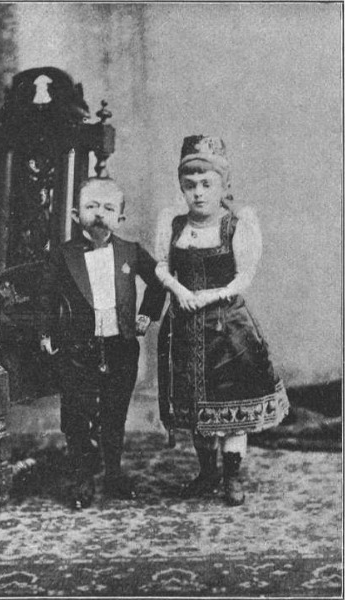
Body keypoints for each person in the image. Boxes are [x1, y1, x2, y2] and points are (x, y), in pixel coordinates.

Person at [156, 135, 289, 506]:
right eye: (190, 185)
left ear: (223, 185)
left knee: (232, 408)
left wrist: (210, 296)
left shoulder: (237, 224)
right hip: (185, 328)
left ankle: (231, 477)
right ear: (182, 187)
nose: (198, 193)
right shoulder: (173, 224)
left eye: (206, 184)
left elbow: (243, 277)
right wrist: (178, 290)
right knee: (197, 406)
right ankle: (207, 473)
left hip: (228, 329)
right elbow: (161, 266)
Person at [38, 176, 165, 510]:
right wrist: (47, 333)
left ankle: (113, 473)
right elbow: (47, 297)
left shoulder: (130, 251)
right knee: (77, 414)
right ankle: (82, 479)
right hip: (78, 348)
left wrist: (146, 315)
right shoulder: (63, 255)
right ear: (76, 214)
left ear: (120, 218)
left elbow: (159, 281)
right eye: (91, 206)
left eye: (108, 208)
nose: (99, 214)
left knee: (114, 412)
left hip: (120, 346)